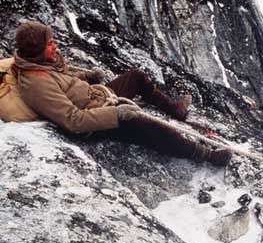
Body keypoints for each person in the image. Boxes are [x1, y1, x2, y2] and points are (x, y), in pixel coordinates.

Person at [11, 20, 232, 166]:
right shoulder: (36, 84)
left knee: (135, 77)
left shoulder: (40, 66)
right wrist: (117, 114)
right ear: (37, 50)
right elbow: (72, 120)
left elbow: (64, 87)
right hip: (94, 123)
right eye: (50, 44)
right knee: (146, 123)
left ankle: (174, 109)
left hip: (96, 101)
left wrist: (86, 78)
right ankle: (202, 154)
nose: (56, 47)